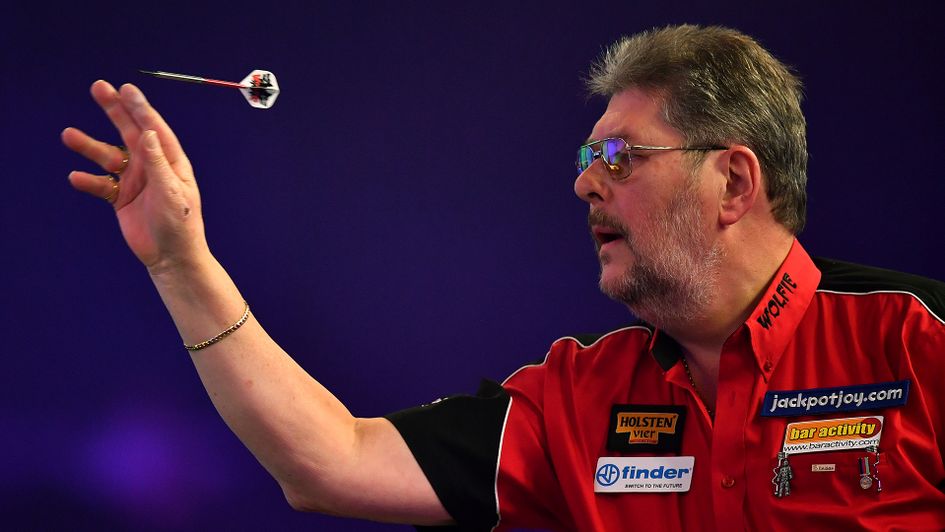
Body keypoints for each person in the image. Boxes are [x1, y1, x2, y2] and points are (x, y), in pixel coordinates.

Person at [63, 24, 943, 531]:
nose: (584, 184)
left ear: (734, 183)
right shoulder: (578, 396)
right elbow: (330, 462)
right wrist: (181, 263)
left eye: (619, 157)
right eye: (585, 158)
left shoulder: (916, 341)